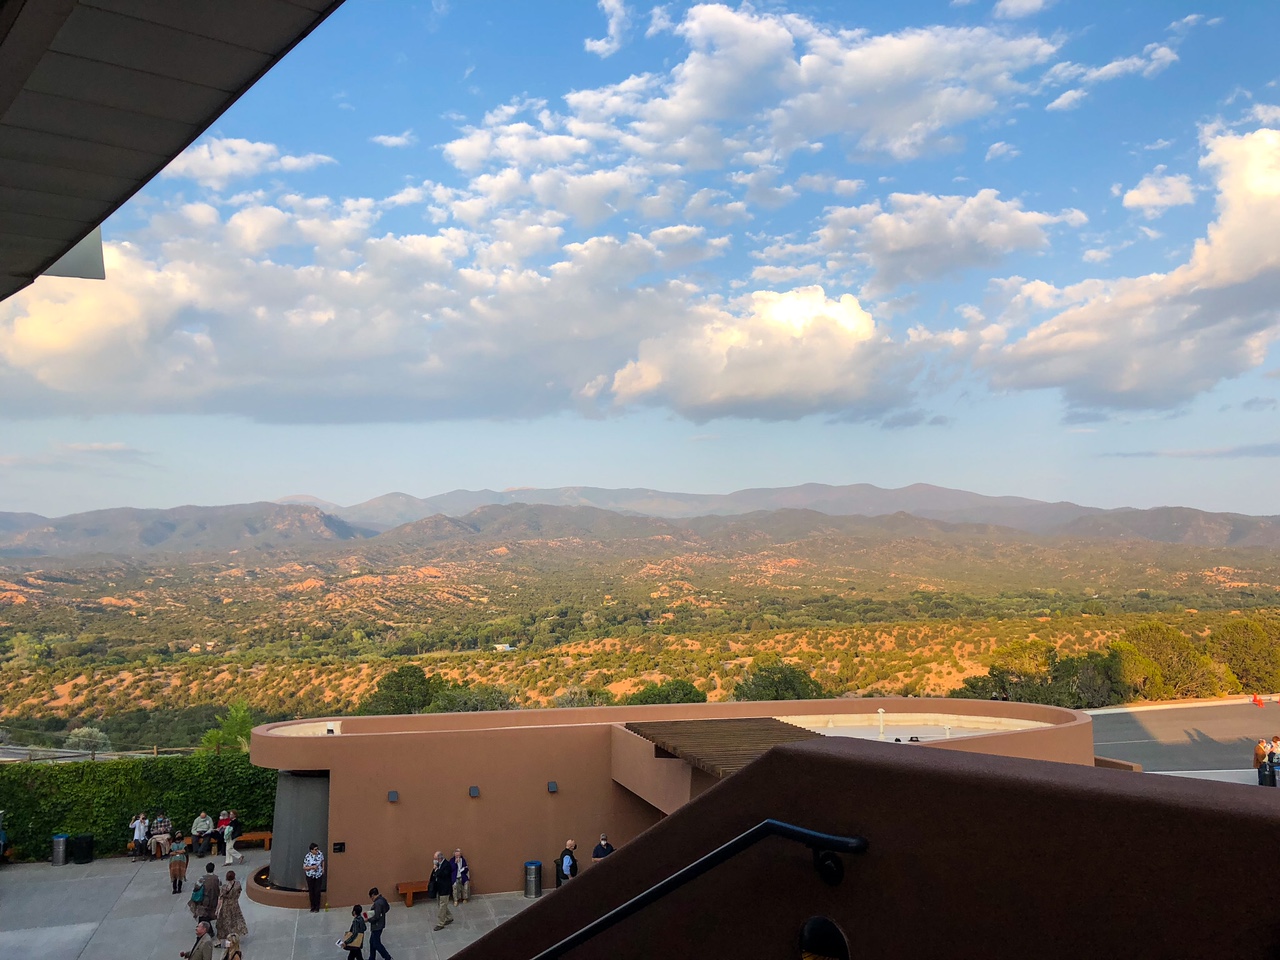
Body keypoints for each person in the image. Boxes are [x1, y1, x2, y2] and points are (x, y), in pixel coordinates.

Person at [189, 861, 221, 937]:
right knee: (209, 915)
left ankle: (207, 931)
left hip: (204, 900)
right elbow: (220, 888)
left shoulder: (202, 879)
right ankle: (207, 930)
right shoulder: (217, 878)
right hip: (214, 900)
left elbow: (196, 887)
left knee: (203, 916)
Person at [216, 869, 248, 942]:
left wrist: (217, 910)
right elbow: (239, 892)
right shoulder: (237, 884)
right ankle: (235, 938)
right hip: (235, 905)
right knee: (235, 921)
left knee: (226, 923)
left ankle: (226, 942)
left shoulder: (224, 887)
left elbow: (220, 899)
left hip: (226, 906)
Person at [367, 887, 393, 960]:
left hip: (377, 925)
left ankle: (387, 957)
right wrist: (382, 913)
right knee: (372, 942)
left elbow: (376, 916)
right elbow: (387, 908)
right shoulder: (383, 900)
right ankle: (372, 958)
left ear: (373, 895)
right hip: (381, 924)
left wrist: (368, 919)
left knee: (376, 944)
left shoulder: (377, 903)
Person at [430, 851, 454, 932]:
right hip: (439, 888)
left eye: (435, 859)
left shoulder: (447, 865)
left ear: (439, 858)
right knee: (442, 904)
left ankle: (441, 923)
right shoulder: (438, 865)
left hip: (445, 889)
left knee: (442, 906)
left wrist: (436, 869)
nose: (434, 860)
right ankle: (449, 917)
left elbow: (444, 875)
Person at [303, 842, 325, 912]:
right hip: (310, 876)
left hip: (318, 875)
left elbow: (323, 861)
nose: (317, 850)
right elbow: (304, 867)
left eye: (317, 849)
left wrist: (323, 869)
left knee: (317, 891)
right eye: (315, 849)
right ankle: (312, 906)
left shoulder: (320, 854)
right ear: (311, 850)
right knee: (311, 891)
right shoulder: (307, 857)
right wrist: (312, 867)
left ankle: (317, 907)